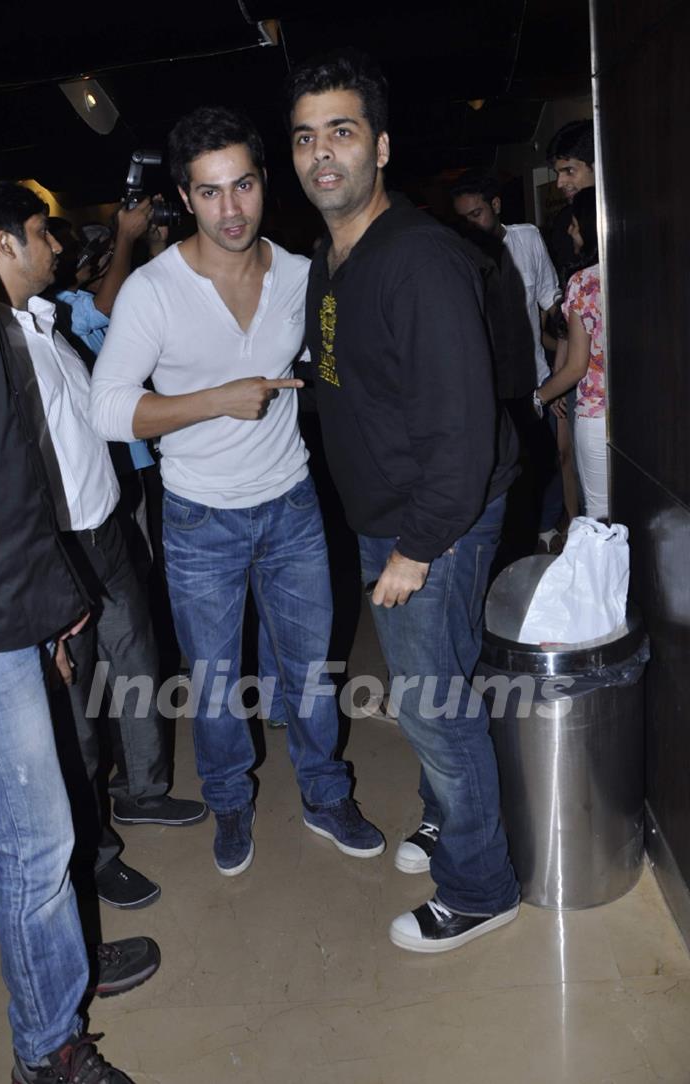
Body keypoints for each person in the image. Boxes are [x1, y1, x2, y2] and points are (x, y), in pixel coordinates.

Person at [90, 105, 384, 877]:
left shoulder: (299, 273)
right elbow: (107, 407)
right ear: (186, 199)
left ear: (263, 183)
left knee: (312, 671)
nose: (231, 209)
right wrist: (215, 399)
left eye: (244, 185)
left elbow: (339, 364)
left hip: (290, 506)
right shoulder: (154, 292)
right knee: (216, 687)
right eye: (211, 192)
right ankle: (229, 803)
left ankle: (325, 795)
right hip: (197, 519)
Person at [285, 49, 520, 952]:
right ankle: (445, 815)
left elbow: (461, 429)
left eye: (340, 132)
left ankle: (480, 884)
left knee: (431, 699)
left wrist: (416, 547)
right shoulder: (331, 257)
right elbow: (350, 363)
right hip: (391, 510)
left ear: (380, 147)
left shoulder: (419, 258)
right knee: (441, 682)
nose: (321, 154)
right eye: (306, 138)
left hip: (436, 518)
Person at [0, 181, 207, 913]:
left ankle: (142, 791)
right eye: (43, 233)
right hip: (53, 546)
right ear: (4, 244)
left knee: (136, 661)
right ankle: (92, 855)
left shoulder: (46, 323)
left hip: (103, 528)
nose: (58, 246)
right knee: (71, 714)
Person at [0, 232, 157, 1083]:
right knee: (31, 845)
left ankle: (61, 972)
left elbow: (3, 487)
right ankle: (46, 1051)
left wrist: (50, 608)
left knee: (46, 835)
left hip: (11, 605)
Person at [451, 171, 563, 551]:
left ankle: (547, 528)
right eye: (463, 217)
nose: (471, 223)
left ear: (496, 206)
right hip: (490, 390)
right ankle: (507, 542)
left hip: (535, 379)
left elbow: (551, 301)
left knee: (545, 462)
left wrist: (561, 373)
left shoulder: (528, 238)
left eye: (477, 213)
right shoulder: (459, 256)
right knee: (501, 472)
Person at [535, 188, 607, 519]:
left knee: (599, 515)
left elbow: (577, 367)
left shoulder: (583, 282)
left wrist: (538, 397)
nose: (570, 230)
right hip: (643, 413)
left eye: (576, 223)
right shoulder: (640, 272)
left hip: (596, 411)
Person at [545, 119, 595, 271]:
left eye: (569, 171)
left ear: (596, 166)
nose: (559, 183)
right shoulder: (563, 223)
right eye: (557, 173)